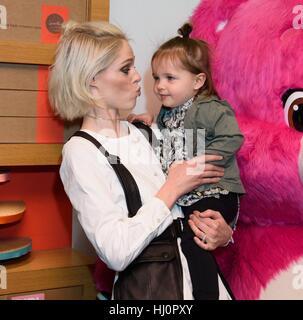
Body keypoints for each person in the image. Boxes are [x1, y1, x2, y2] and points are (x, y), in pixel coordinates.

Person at [48, 20, 235, 300]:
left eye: (134, 66)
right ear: (92, 82)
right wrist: (173, 187)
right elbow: (115, 252)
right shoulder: (80, 153)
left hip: (204, 281)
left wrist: (223, 232)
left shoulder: (147, 132)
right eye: (126, 69)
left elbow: (201, 192)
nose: (138, 77)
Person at [129, 22, 245, 300]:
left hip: (215, 192)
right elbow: (167, 149)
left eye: (170, 78)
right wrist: (150, 125)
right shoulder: (167, 113)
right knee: (182, 241)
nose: (159, 86)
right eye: (157, 78)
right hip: (188, 193)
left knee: (194, 242)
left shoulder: (209, 108)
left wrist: (200, 163)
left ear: (198, 81)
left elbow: (232, 137)